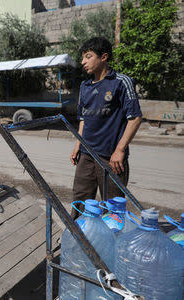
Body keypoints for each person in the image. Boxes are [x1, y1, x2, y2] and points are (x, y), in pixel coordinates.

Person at [70, 37, 142, 219]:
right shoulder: (85, 85)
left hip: (111, 158)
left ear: (103, 57)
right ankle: (78, 240)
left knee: (113, 209)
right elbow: (83, 118)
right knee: (80, 202)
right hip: (86, 155)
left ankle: (110, 245)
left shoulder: (121, 82)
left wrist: (120, 150)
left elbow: (135, 118)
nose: (83, 62)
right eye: (82, 58)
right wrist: (78, 145)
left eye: (88, 56)